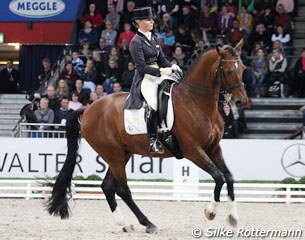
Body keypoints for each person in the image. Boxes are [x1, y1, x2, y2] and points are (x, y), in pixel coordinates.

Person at [124, 7, 182, 154]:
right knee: (153, 103)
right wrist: (161, 71)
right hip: (146, 78)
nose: (152, 22)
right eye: (148, 20)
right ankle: (152, 140)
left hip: (159, 74)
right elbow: (142, 67)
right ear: (139, 22)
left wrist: (172, 66)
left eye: (152, 19)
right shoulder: (135, 42)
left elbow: (162, 59)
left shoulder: (153, 38)